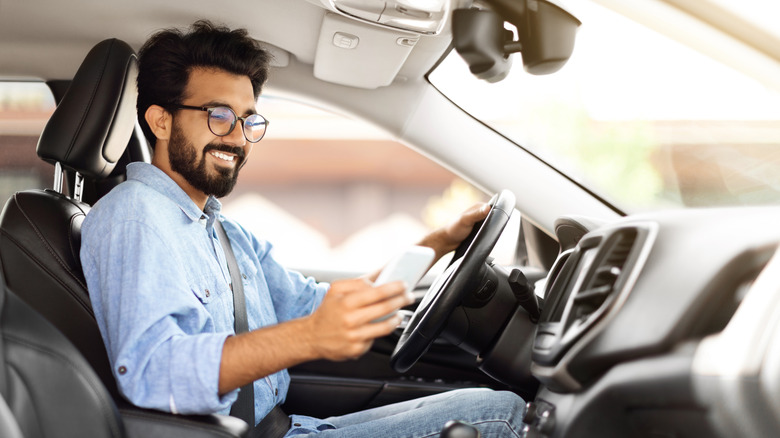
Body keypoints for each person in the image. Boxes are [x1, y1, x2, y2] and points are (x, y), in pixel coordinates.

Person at [80, 20, 526, 437]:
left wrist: (441, 241)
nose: (237, 137)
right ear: (161, 121)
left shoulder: (222, 230)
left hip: (288, 426)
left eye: (248, 120)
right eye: (219, 115)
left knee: (487, 403)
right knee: (501, 415)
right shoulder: (135, 216)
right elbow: (154, 372)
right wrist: (309, 337)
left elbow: (318, 306)